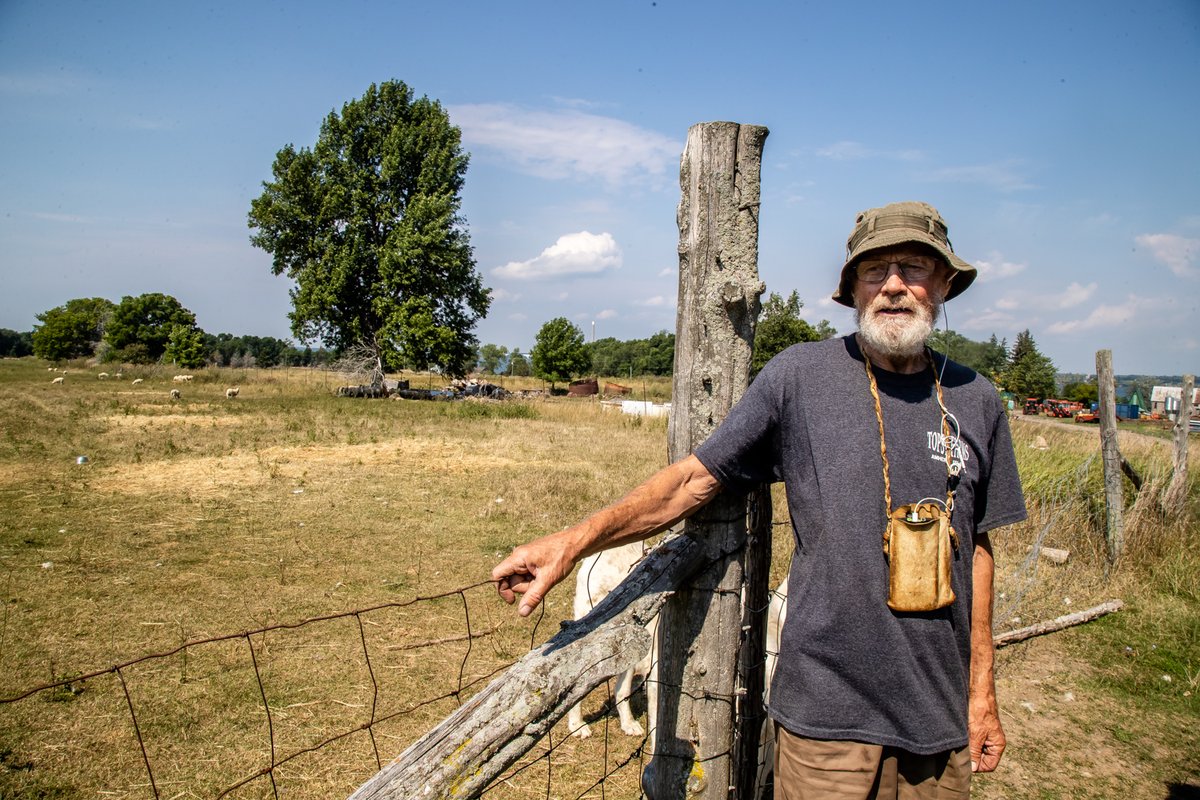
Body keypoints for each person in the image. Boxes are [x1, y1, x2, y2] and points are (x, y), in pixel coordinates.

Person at [492, 200, 1027, 799]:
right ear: (852, 288)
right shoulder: (800, 378)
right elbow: (692, 480)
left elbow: (977, 550)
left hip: (937, 717)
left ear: (946, 284)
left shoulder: (975, 398)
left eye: (915, 267)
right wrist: (573, 541)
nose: (895, 286)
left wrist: (981, 692)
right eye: (875, 270)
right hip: (827, 716)